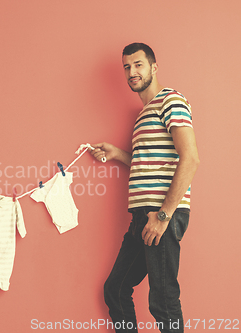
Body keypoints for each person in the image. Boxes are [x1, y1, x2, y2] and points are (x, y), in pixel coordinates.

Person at [91, 43, 199, 333]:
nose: (132, 72)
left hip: (160, 214)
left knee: (163, 300)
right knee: (116, 288)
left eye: (138, 64)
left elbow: (190, 159)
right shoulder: (143, 115)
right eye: (127, 67)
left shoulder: (171, 101)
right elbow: (150, 163)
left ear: (154, 67)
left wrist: (163, 215)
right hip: (142, 216)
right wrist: (117, 153)